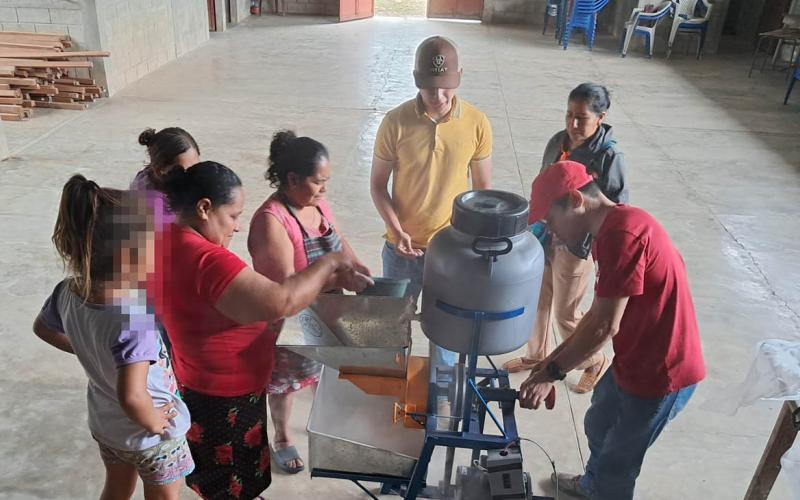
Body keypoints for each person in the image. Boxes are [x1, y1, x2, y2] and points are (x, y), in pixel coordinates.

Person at [155, 161, 371, 499]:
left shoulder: (167, 238)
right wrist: (329, 262)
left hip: (198, 380)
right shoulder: (207, 260)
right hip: (225, 394)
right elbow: (282, 301)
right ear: (204, 208)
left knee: (221, 477)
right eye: (233, 215)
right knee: (230, 481)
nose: (237, 226)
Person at [518, 161, 705, 500]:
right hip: (635, 355)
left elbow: (605, 327)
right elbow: (596, 317)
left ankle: (603, 487)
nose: (552, 233)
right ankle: (592, 485)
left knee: (618, 465)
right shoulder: (609, 231)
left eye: (551, 221)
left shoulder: (623, 236)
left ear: (575, 200)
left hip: (662, 370)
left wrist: (553, 374)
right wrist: (548, 365)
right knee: (598, 423)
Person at [33, 175, 193, 500]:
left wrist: (90, 350)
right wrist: (154, 422)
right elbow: (133, 396)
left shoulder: (68, 292)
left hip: (106, 424)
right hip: (149, 436)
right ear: (127, 256)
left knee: (117, 488)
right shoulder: (135, 317)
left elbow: (43, 328)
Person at [248, 130, 370, 474]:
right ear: (292, 179)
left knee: (324, 370)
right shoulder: (272, 221)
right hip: (291, 320)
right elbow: (286, 289)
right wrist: (337, 279)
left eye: (326, 182)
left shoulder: (315, 203)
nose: (324, 189)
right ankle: (282, 437)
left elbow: (339, 241)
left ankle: (326, 418)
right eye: (318, 182)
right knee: (286, 381)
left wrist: (358, 267)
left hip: (327, 311)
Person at [370, 35, 492, 371]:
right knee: (393, 332)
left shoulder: (477, 123)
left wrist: (470, 245)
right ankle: (393, 387)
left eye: (445, 87)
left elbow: (482, 193)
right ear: (415, 79)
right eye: (429, 87)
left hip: (451, 252)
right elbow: (378, 185)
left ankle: (441, 394)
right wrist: (397, 230)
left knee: (446, 335)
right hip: (401, 251)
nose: (438, 96)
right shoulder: (395, 122)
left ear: (460, 77)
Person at [504, 83, 628, 394]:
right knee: (538, 300)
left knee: (566, 313)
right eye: (569, 115)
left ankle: (593, 360)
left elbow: (614, 208)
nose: (573, 124)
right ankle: (536, 355)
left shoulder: (609, 156)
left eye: (581, 118)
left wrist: (583, 247)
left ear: (600, 117)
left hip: (574, 246)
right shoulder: (557, 142)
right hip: (545, 236)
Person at [131, 127, 201, 224]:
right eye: (184, 171)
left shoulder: (152, 175)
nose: (194, 176)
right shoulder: (153, 206)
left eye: (197, 167)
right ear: (159, 170)